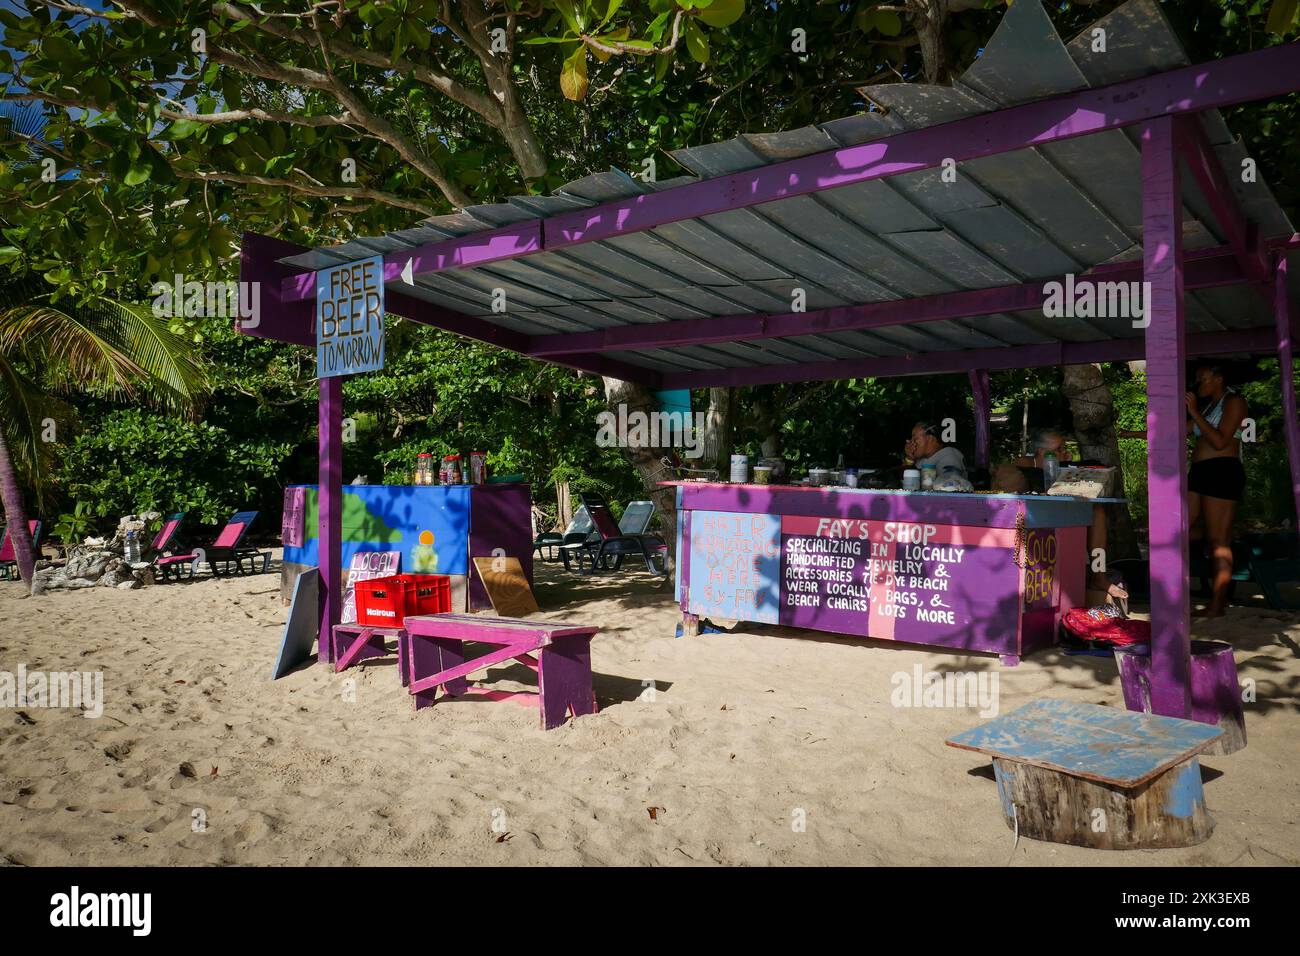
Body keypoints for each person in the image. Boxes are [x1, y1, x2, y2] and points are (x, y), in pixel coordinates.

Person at [1120, 362, 1248, 617]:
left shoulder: (1234, 401)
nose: (1197, 384)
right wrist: (1130, 433)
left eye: (1203, 378)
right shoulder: (1210, 406)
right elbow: (1174, 432)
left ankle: (1217, 604)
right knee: (1178, 530)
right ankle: (1172, 590)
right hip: (1200, 473)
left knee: (1218, 542)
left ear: (1218, 377)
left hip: (1223, 471)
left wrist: (1194, 412)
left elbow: (1221, 441)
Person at [903, 422, 968, 479]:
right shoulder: (922, 459)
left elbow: (949, 486)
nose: (911, 442)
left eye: (915, 438)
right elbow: (904, 480)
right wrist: (909, 458)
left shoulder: (949, 456)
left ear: (931, 439)